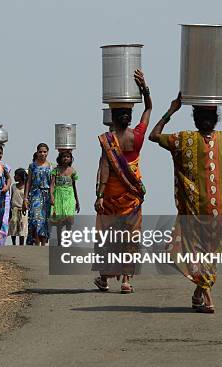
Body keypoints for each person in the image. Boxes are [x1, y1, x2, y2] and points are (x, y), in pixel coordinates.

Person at [149, 93, 222, 313]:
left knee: (209, 257)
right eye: (203, 115)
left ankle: (199, 293)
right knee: (201, 255)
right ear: (198, 119)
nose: (206, 119)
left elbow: (154, 134)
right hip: (199, 214)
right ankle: (207, 296)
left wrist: (172, 109)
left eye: (208, 115)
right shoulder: (193, 139)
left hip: (219, 216)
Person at [94, 69, 152, 294]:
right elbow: (148, 109)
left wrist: (99, 195)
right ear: (128, 116)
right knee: (130, 236)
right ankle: (126, 280)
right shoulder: (136, 137)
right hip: (132, 198)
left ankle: (105, 279)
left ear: (113, 117)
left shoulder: (108, 140)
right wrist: (145, 88)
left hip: (110, 197)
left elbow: (105, 167)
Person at [23, 143, 53, 246]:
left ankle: (43, 243)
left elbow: (53, 184)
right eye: (40, 151)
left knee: (45, 220)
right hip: (35, 194)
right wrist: (25, 198)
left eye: (44, 151)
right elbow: (29, 182)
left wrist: (53, 197)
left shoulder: (51, 166)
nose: (42, 154)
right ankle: (36, 241)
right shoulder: (32, 166)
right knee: (35, 218)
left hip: (47, 195)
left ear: (48, 153)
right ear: (37, 152)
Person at [50, 151, 80, 246]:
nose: (66, 158)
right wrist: (51, 196)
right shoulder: (56, 170)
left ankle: (67, 241)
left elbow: (74, 187)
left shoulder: (73, 171)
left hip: (69, 196)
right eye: (64, 157)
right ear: (60, 158)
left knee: (69, 220)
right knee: (59, 220)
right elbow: (52, 185)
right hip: (59, 195)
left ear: (71, 159)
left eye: (68, 157)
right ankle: (59, 242)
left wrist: (77, 201)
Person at [9, 168, 28, 245]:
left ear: (21, 176)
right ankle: (14, 243)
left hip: (23, 210)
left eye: (16, 175)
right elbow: (11, 197)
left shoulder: (26, 187)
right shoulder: (13, 186)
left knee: (22, 227)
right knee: (13, 226)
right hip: (14, 209)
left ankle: (21, 244)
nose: (14, 177)